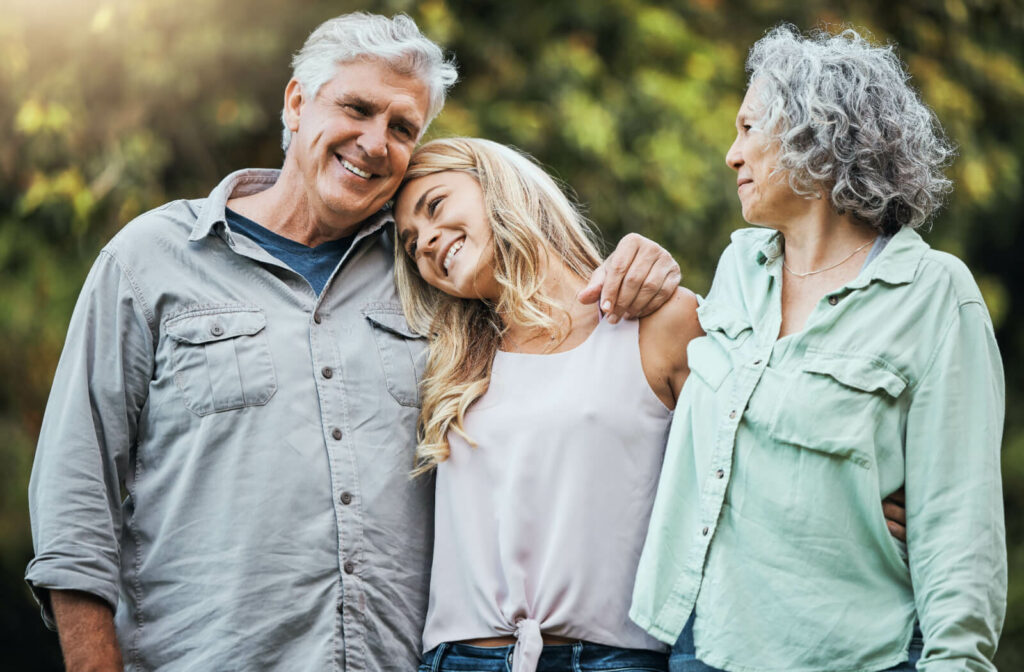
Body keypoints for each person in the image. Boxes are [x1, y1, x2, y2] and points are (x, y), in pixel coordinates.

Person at [25, 13, 682, 672]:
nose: (376, 142)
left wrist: (640, 265)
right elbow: (75, 503)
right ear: (296, 103)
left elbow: (554, 353)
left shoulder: (433, 279)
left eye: (402, 128)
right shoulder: (151, 259)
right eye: (357, 109)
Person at [630, 25, 1006, 672]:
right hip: (701, 641)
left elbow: (960, 531)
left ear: (815, 136)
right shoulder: (739, 268)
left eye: (748, 129)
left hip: (853, 653)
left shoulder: (935, 294)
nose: (731, 155)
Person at [391, 137, 704, 672]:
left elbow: (735, 481)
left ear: (497, 184)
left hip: (612, 657)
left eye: (436, 206)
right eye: (411, 241)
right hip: (456, 660)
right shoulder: (442, 360)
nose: (424, 243)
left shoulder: (657, 321)